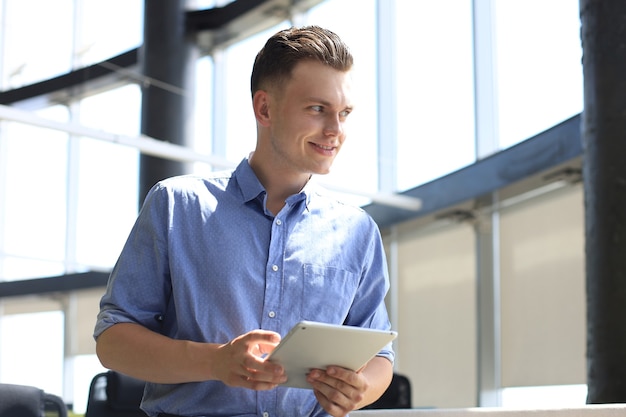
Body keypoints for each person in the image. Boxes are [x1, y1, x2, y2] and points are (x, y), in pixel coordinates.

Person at [94, 25, 394, 417]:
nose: (336, 130)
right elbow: (113, 340)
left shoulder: (358, 232)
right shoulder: (178, 205)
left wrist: (361, 387)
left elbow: (380, 355)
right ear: (264, 108)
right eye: (317, 109)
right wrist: (215, 361)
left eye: (344, 113)